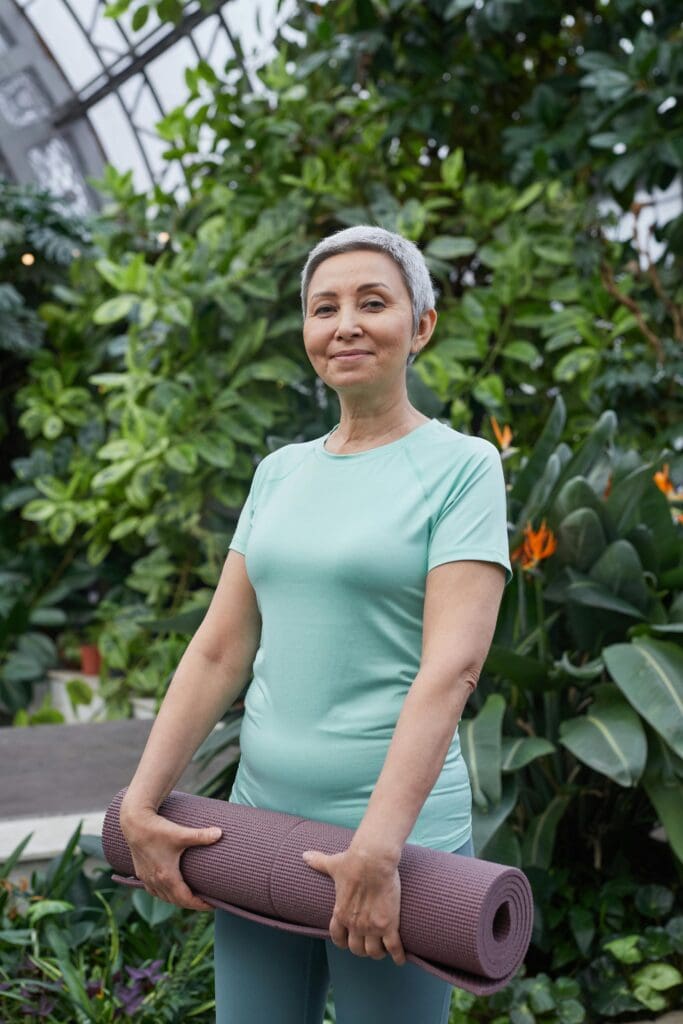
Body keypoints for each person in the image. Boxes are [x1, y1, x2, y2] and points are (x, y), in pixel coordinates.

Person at [119, 225, 513, 1024]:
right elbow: (219, 649)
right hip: (256, 832)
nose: (345, 325)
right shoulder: (280, 472)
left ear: (421, 326)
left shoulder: (462, 467)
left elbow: (451, 670)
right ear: (305, 332)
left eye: (373, 303)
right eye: (322, 308)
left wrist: (378, 846)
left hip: (394, 847)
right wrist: (142, 803)